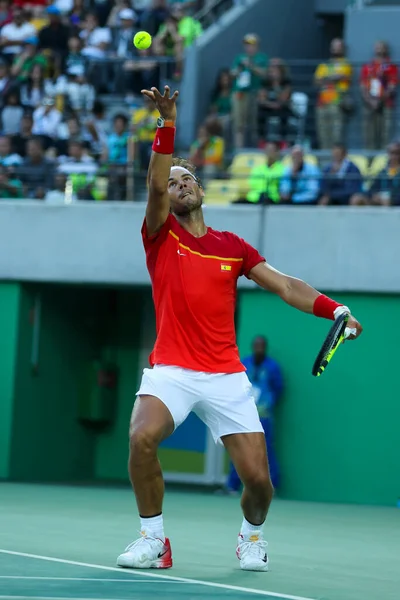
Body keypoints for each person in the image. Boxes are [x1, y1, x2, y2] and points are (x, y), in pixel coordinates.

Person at [115, 85, 363, 572]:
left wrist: (335, 309)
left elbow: (287, 286)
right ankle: (153, 539)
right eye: (172, 182)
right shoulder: (159, 234)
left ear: (201, 189)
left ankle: (252, 536)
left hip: (226, 376)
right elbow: (154, 183)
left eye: (187, 179)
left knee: (259, 482)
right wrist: (165, 125)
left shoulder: (234, 247)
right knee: (141, 437)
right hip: (172, 370)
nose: (178, 185)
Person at [227, 336, 283, 492]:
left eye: (262, 346)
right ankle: (233, 485)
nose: (259, 349)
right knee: (239, 448)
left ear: (265, 347)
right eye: (256, 346)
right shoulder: (244, 364)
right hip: (244, 415)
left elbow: (278, 389)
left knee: (266, 450)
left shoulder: (272, 367)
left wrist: (267, 404)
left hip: (263, 416)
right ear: (252, 347)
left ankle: (273, 486)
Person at [230, 33, 268, 148]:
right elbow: (232, 74)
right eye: (247, 45)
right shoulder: (239, 58)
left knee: (253, 124)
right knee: (238, 123)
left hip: (254, 93)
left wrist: (251, 65)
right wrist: (240, 68)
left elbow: (264, 73)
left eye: (251, 45)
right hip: (240, 93)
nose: (249, 47)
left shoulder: (261, 58)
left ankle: (254, 148)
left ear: (257, 46)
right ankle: (239, 149)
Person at [314, 39, 352, 150]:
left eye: (338, 46)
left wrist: (326, 78)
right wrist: (333, 78)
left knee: (337, 136)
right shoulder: (324, 65)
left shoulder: (346, 64)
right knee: (323, 135)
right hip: (322, 103)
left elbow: (343, 76)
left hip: (337, 103)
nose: (336, 49)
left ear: (343, 48)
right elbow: (317, 81)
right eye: (334, 46)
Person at [360, 41, 398, 151]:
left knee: (386, 132)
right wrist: (370, 101)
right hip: (369, 104)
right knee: (369, 133)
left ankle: (384, 159)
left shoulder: (391, 66)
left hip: (386, 104)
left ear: (386, 50)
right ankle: (369, 158)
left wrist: (380, 100)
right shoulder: (368, 66)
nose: (379, 49)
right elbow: (363, 86)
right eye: (377, 47)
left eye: (382, 47)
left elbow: (392, 85)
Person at [244, 140, 285, 205]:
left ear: (277, 152)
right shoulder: (257, 168)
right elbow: (252, 184)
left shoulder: (282, 169)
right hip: (254, 198)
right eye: (267, 150)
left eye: (272, 150)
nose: (269, 152)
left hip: (271, 199)